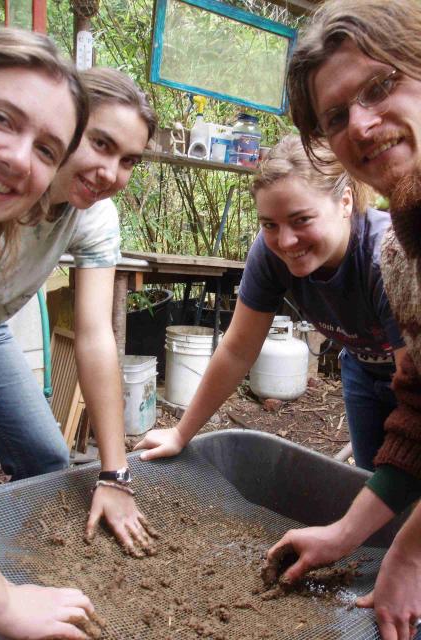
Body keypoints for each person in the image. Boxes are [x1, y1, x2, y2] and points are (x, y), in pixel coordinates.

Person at [0, 66, 158, 556]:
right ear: (65, 128)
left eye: (128, 161)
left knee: (46, 457)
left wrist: (115, 472)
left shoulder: (94, 213)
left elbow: (95, 332)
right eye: (100, 144)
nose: (110, 173)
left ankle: (19, 558)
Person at [263, 1, 421, 638]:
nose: (360, 124)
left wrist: (407, 554)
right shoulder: (404, 254)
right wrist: (344, 534)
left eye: (381, 86)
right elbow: (416, 416)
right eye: (335, 116)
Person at [0, 27, 93, 640]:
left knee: (47, 456)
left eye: (46, 150)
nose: (16, 157)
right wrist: (0, 600)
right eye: (0, 118)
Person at [135, 134, 405, 471]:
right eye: (269, 225)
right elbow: (237, 351)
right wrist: (180, 433)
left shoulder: (388, 260)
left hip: (411, 371)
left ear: (345, 202)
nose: (286, 241)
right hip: (363, 370)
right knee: (368, 475)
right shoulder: (269, 254)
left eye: (301, 220)